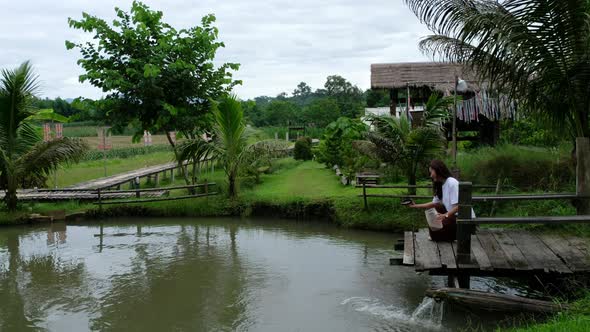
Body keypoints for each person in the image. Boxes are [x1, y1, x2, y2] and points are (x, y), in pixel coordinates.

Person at [406, 159, 474, 241]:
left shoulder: (452, 183)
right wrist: (415, 206)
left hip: (463, 220)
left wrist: (445, 215)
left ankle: (454, 234)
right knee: (434, 210)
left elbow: (460, 206)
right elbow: (433, 203)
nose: (430, 175)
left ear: (438, 170)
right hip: (452, 217)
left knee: (435, 234)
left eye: (431, 172)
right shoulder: (441, 185)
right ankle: (445, 233)